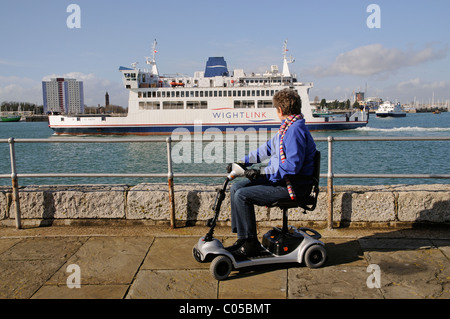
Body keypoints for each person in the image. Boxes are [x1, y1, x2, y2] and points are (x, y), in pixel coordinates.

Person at [226, 88, 317, 256]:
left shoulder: (294, 131)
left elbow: (291, 167)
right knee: (235, 188)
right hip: (282, 180)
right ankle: (243, 238)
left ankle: (250, 244)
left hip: (292, 185)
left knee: (242, 195)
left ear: (280, 110)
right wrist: (242, 162)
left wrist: (261, 172)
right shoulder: (287, 128)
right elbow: (266, 149)